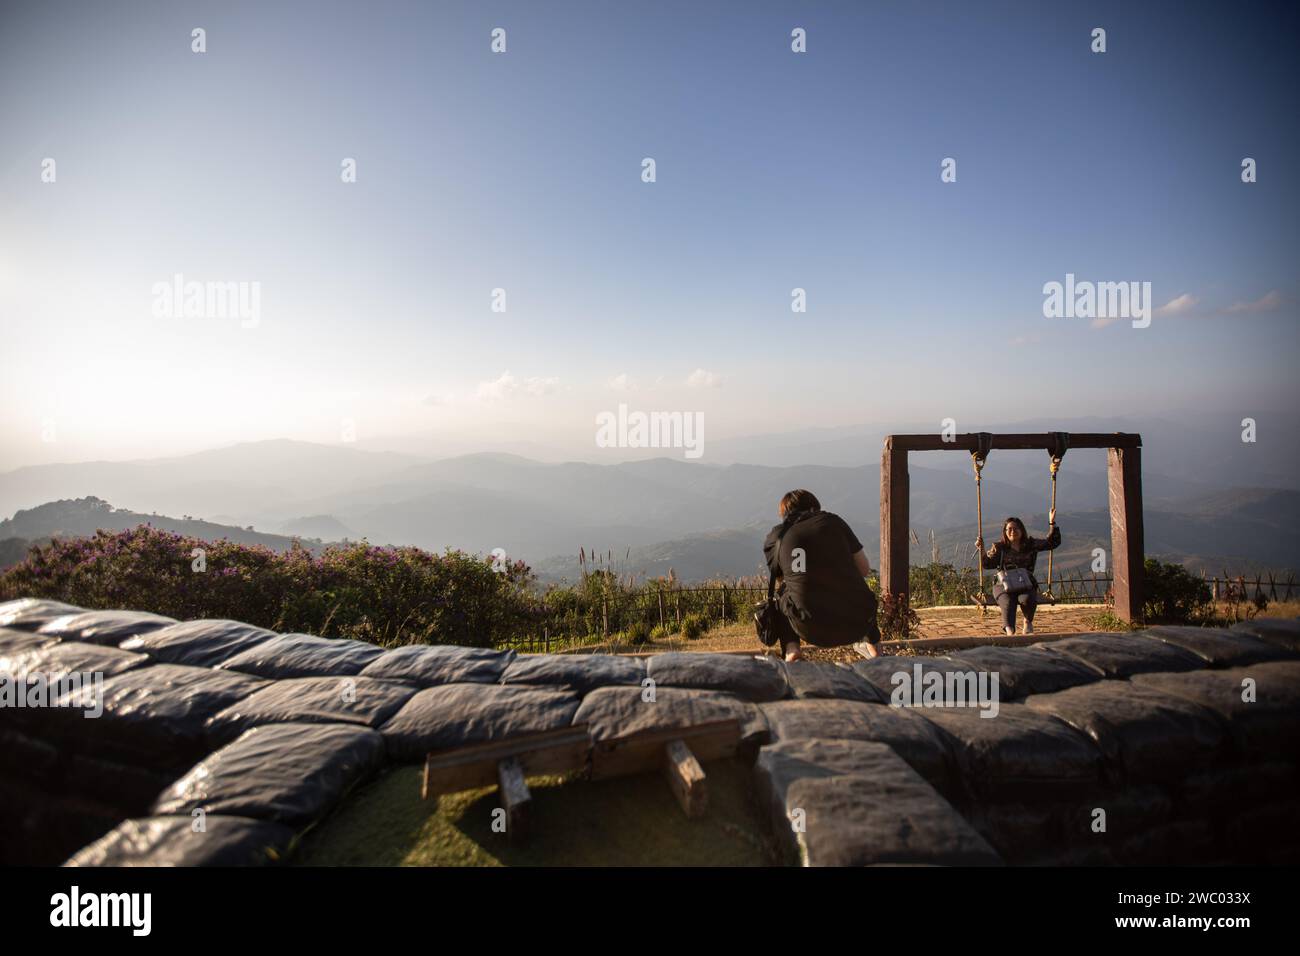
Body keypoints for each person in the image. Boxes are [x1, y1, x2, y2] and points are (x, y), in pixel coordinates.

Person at [762, 489, 880, 662]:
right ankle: (873, 646)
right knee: (858, 590)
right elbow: (864, 569)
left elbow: (785, 580)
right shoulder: (833, 522)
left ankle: (791, 649)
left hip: (809, 627)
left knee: (783, 594)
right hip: (857, 623)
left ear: (784, 514)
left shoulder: (777, 537)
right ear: (813, 508)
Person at [976, 511, 1061, 636]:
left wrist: (1052, 522)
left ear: (1022, 530)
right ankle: (1010, 631)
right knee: (1008, 602)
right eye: (1009, 529)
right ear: (1005, 532)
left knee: (1027, 599)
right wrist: (982, 549)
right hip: (1003, 584)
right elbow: (987, 565)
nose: (1012, 531)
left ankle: (1027, 621)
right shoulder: (999, 548)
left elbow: (1052, 543)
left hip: (1025, 583)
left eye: (1016, 528)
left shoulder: (1030, 544)